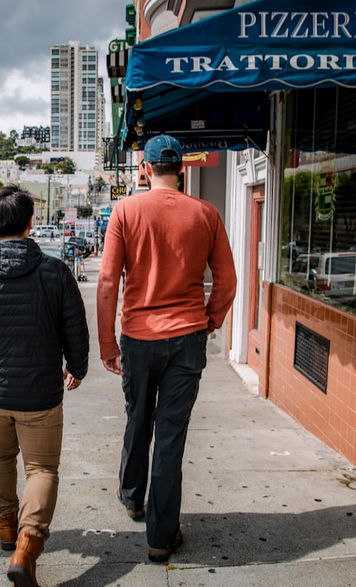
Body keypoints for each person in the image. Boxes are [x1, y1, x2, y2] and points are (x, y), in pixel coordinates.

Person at [96, 134, 237, 563]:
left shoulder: (125, 210)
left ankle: (132, 496)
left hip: (139, 337)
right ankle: (161, 535)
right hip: (187, 339)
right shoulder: (206, 214)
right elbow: (227, 281)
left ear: (144, 168)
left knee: (138, 418)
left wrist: (107, 344)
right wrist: (211, 320)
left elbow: (106, 284)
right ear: (183, 169)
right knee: (171, 437)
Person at [0, 186, 89, 587]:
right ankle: (27, 546)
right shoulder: (55, 272)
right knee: (41, 468)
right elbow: (75, 328)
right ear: (29, 224)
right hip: (41, 393)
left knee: (0, 456)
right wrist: (77, 367)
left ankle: (7, 526)